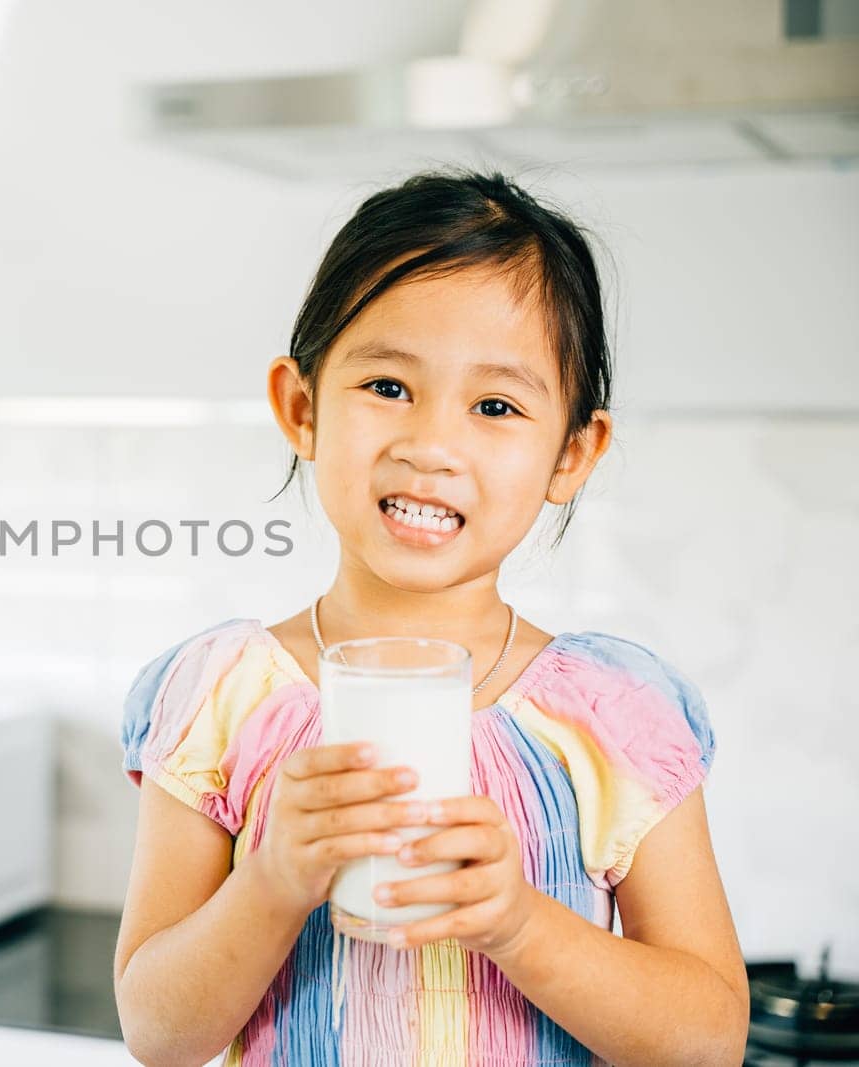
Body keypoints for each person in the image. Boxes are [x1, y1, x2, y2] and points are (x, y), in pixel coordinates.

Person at [112, 170, 748, 1066]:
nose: (431, 447)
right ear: (302, 407)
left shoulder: (613, 714)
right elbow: (158, 1032)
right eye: (387, 386)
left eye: (495, 406)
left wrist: (519, 923)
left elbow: (709, 1038)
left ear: (573, 453)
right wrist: (271, 880)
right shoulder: (218, 696)